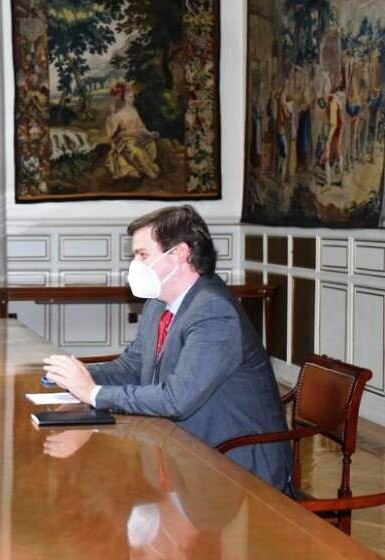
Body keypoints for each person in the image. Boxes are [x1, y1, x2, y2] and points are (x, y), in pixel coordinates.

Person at [43, 205, 293, 493]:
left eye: (142, 255)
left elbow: (178, 399)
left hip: (234, 466)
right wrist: (77, 375)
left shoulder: (213, 310)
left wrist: (93, 393)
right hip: (183, 448)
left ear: (179, 254)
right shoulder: (159, 302)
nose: (135, 265)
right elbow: (132, 366)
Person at [104, 82, 161, 180]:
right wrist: (112, 113)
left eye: (133, 97)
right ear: (124, 98)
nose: (133, 99)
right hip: (126, 141)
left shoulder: (134, 111)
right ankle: (148, 171)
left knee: (151, 144)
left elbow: (141, 126)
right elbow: (111, 133)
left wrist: (149, 133)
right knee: (136, 151)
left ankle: (148, 166)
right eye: (130, 97)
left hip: (138, 138)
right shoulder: (118, 115)